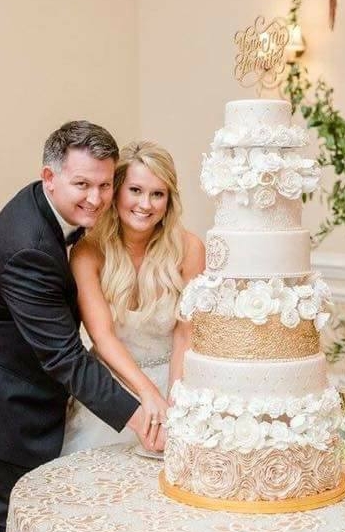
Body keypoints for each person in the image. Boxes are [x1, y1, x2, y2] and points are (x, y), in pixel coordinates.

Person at [0, 121, 157, 532]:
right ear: (50, 177)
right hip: (0, 397)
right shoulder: (27, 247)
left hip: (19, 381)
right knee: (12, 514)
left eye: (106, 185)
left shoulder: (48, 207)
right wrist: (141, 418)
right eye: (83, 185)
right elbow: (64, 354)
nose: (96, 199)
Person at [62, 141, 205, 452]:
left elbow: (185, 334)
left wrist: (175, 400)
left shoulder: (190, 248)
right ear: (116, 192)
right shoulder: (87, 254)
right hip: (115, 390)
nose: (146, 204)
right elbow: (103, 337)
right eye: (136, 190)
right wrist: (147, 395)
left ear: (169, 200)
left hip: (176, 378)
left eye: (158, 194)